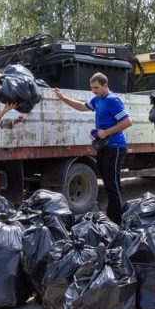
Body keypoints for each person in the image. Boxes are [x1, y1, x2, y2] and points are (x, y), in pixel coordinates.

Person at [54, 73, 133, 225]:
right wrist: (63, 98)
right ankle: (111, 216)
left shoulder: (112, 100)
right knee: (106, 181)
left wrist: (106, 132)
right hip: (104, 146)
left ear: (105, 85)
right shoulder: (98, 100)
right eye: (91, 88)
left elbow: (128, 121)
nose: (94, 91)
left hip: (115, 147)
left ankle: (116, 220)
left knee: (112, 184)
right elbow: (82, 107)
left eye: (96, 88)